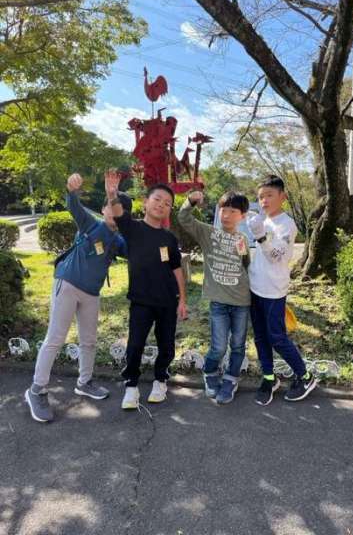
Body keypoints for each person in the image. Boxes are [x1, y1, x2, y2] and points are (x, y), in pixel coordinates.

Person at [25, 173, 129, 423]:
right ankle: (36, 389)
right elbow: (74, 206)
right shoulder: (90, 224)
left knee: (89, 341)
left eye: (121, 209)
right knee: (55, 338)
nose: (115, 211)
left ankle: (84, 382)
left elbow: (137, 251)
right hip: (68, 284)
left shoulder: (119, 241)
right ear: (104, 208)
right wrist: (72, 190)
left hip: (91, 294)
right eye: (111, 205)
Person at [105, 170, 187, 409]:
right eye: (157, 199)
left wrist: (182, 300)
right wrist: (112, 194)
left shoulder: (169, 238)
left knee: (167, 345)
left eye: (167, 203)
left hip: (167, 301)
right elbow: (118, 213)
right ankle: (131, 386)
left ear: (169, 210)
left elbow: (177, 269)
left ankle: (161, 380)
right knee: (135, 344)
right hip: (141, 301)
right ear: (145, 203)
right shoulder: (133, 228)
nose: (161, 205)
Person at [247, 175, 317, 405]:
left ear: (282, 197)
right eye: (260, 197)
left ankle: (305, 377)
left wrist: (260, 236)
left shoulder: (287, 224)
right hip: (255, 287)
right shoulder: (261, 220)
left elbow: (276, 256)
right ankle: (269, 378)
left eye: (269, 195)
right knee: (260, 337)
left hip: (274, 291)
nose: (264, 201)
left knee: (277, 337)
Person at [178, 190, 250, 404]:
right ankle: (210, 373)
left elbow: (246, 266)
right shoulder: (208, 233)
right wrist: (190, 201)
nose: (226, 215)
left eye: (233, 211)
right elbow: (184, 218)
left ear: (242, 216)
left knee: (238, 345)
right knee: (218, 346)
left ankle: (230, 379)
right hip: (218, 302)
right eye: (223, 210)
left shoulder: (242, 239)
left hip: (242, 302)